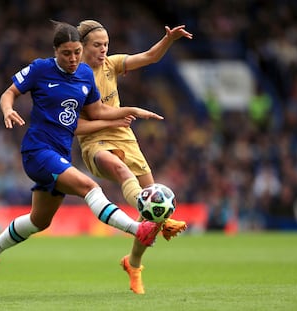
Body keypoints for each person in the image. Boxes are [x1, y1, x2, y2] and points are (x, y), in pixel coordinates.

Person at [0, 21, 166, 282]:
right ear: (55, 51)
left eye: (76, 52)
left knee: (39, 221)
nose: (73, 58)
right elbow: (10, 92)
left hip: (60, 154)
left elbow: (98, 112)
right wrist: (8, 109)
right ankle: (137, 229)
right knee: (90, 187)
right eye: (67, 53)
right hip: (38, 151)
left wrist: (130, 110)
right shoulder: (41, 69)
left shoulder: (85, 75)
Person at [76, 20, 193, 294]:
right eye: (97, 45)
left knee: (151, 206)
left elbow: (150, 57)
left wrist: (169, 40)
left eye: (106, 44)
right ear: (81, 46)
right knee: (121, 172)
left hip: (124, 137)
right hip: (95, 141)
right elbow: (75, 126)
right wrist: (113, 121)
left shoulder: (111, 64)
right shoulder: (73, 75)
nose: (103, 49)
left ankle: (134, 263)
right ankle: (161, 220)